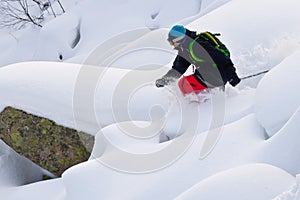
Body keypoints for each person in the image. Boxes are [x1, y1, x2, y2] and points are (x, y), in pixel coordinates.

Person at [155, 25, 240, 95]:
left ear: (178, 39)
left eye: (172, 42)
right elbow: (178, 69)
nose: (172, 45)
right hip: (208, 74)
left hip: (218, 74)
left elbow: (221, 59)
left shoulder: (197, 46)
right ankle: (205, 99)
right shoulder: (184, 49)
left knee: (184, 84)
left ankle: (201, 106)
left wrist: (232, 77)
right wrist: (164, 80)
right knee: (185, 84)